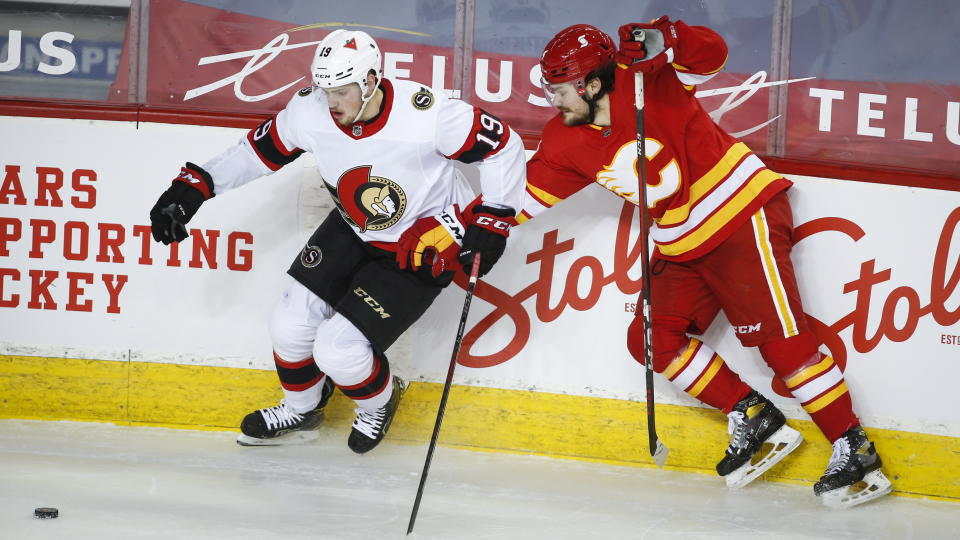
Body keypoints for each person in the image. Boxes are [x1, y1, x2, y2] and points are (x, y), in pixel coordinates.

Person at [519, 17, 891, 508]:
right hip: (681, 240)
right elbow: (520, 198)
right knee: (652, 338)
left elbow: (710, 54)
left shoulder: (647, 78)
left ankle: (854, 447)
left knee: (783, 347)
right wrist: (466, 229)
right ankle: (754, 416)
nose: (553, 100)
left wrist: (669, 38)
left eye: (560, 89)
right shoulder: (563, 139)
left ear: (590, 83)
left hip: (740, 215)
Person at [148, 29, 525, 453]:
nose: (331, 103)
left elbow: (503, 147)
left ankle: (379, 403)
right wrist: (196, 185)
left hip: (422, 244)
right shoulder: (310, 110)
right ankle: (302, 408)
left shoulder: (428, 114)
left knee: (337, 350)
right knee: (289, 325)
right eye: (326, 90)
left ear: (369, 81)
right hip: (353, 226)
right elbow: (259, 150)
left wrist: (494, 218)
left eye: (342, 91)